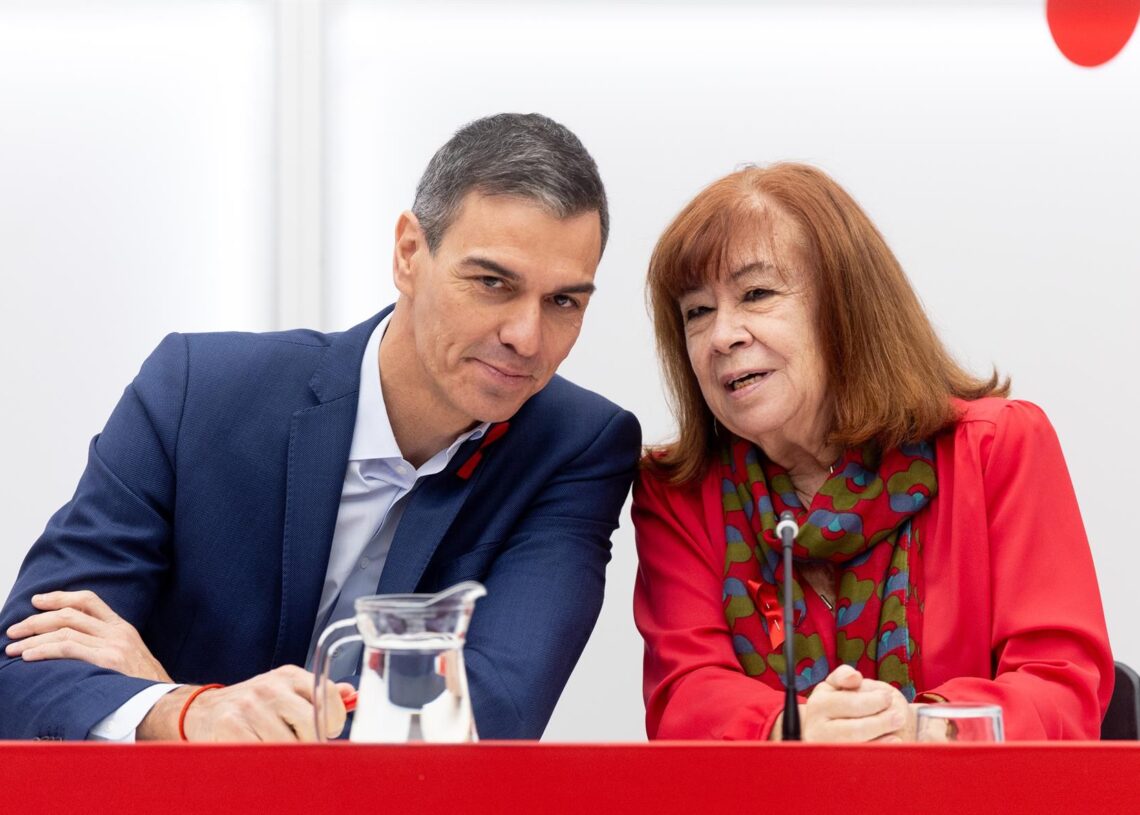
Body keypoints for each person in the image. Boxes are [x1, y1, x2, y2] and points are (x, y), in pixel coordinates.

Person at [0, 113, 640, 741]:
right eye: (492, 282)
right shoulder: (195, 390)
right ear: (409, 253)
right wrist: (183, 713)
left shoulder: (579, 447)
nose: (526, 338)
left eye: (563, 301)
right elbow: (24, 670)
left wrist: (187, 701)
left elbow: (486, 722)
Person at [633, 163, 1113, 741]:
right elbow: (684, 699)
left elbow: (1061, 685)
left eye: (756, 294)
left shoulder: (996, 447)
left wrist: (921, 729)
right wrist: (796, 730)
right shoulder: (679, 492)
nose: (721, 336)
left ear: (846, 306)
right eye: (697, 312)